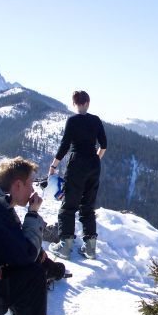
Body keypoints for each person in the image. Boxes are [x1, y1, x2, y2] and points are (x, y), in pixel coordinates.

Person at [0, 156, 64, 315]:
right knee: (32, 275)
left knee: (30, 272)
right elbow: (27, 255)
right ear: (17, 185)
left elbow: (19, 248)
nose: (33, 190)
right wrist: (32, 214)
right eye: (30, 184)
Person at [48, 90, 107, 260]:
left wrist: (54, 166)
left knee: (68, 205)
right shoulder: (96, 120)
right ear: (88, 103)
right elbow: (104, 145)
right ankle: (90, 248)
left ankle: (65, 247)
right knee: (87, 206)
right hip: (94, 165)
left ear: (74, 104)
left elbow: (65, 145)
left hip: (77, 164)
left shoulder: (72, 120)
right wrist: (96, 159)